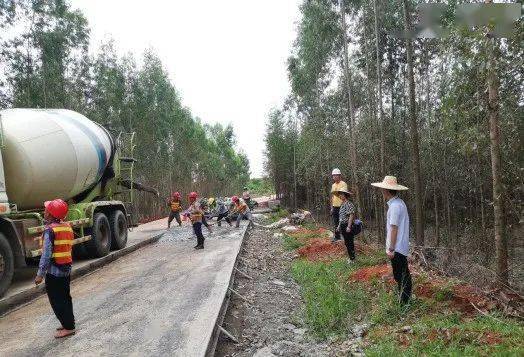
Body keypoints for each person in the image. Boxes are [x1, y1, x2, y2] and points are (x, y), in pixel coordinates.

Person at [34, 199, 76, 338]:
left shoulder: (50, 230)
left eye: (46, 210)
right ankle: (68, 323)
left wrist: (40, 274)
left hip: (54, 272)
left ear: (51, 214)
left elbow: (46, 256)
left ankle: (68, 327)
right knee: (65, 297)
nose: (44, 212)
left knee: (57, 300)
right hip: (66, 268)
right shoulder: (67, 226)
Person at [371, 176, 412, 305]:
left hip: (397, 247)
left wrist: (391, 248)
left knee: (401, 276)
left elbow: (394, 228)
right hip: (400, 246)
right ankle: (404, 298)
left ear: (387, 191)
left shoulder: (394, 206)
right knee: (401, 274)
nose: (382, 191)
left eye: (383, 189)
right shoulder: (400, 203)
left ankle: (404, 303)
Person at [335, 189, 357, 264]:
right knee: (347, 242)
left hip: (347, 225)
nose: (340, 196)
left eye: (341, 194)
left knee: (350, 242)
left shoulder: (348, 204)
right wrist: (338, 226)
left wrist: (349, 226)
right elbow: (341, 217)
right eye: (339, 195)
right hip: (343, 225)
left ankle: (352, 259)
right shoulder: (342, 204)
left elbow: (351, 215)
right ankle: (351, 257)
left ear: (345, 195)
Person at [330, 168, 348, 242]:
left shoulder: (343, 184)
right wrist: (331, 207)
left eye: (336, 175)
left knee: (343, 222)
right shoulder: (333, 185)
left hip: (342, 206)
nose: (334, 177)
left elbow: (344, 195)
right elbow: (332, 196)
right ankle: (337, 237)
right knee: (336, 222)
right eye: (333, 176)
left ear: (339, 176)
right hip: (335, 206)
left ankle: (345, 237)